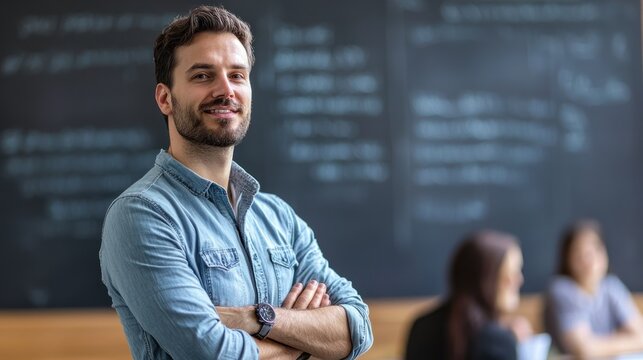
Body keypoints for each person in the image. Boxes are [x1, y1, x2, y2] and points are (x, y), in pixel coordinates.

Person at [99, 5, 373, 360]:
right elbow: (214, 354)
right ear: (165, 98)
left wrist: (255, 319)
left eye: (238, 75)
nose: (225, 90)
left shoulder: (278, 217)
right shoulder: (142, 215)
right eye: (202, 76)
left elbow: (357, 328)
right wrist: (302, 345)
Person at [405, 230, 532, 360]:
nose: (519, 280)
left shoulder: (421, 327)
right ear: (486, 280)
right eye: (509, 275)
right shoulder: (497, 342)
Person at [544, 219, 643, 358]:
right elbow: (585, 350)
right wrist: (622, 337)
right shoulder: (561, 290)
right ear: (567, 258)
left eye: (595, 248)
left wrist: (599, 344)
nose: (589, 258)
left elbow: (641, 335)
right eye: (579, 251)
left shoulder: (611, 286)